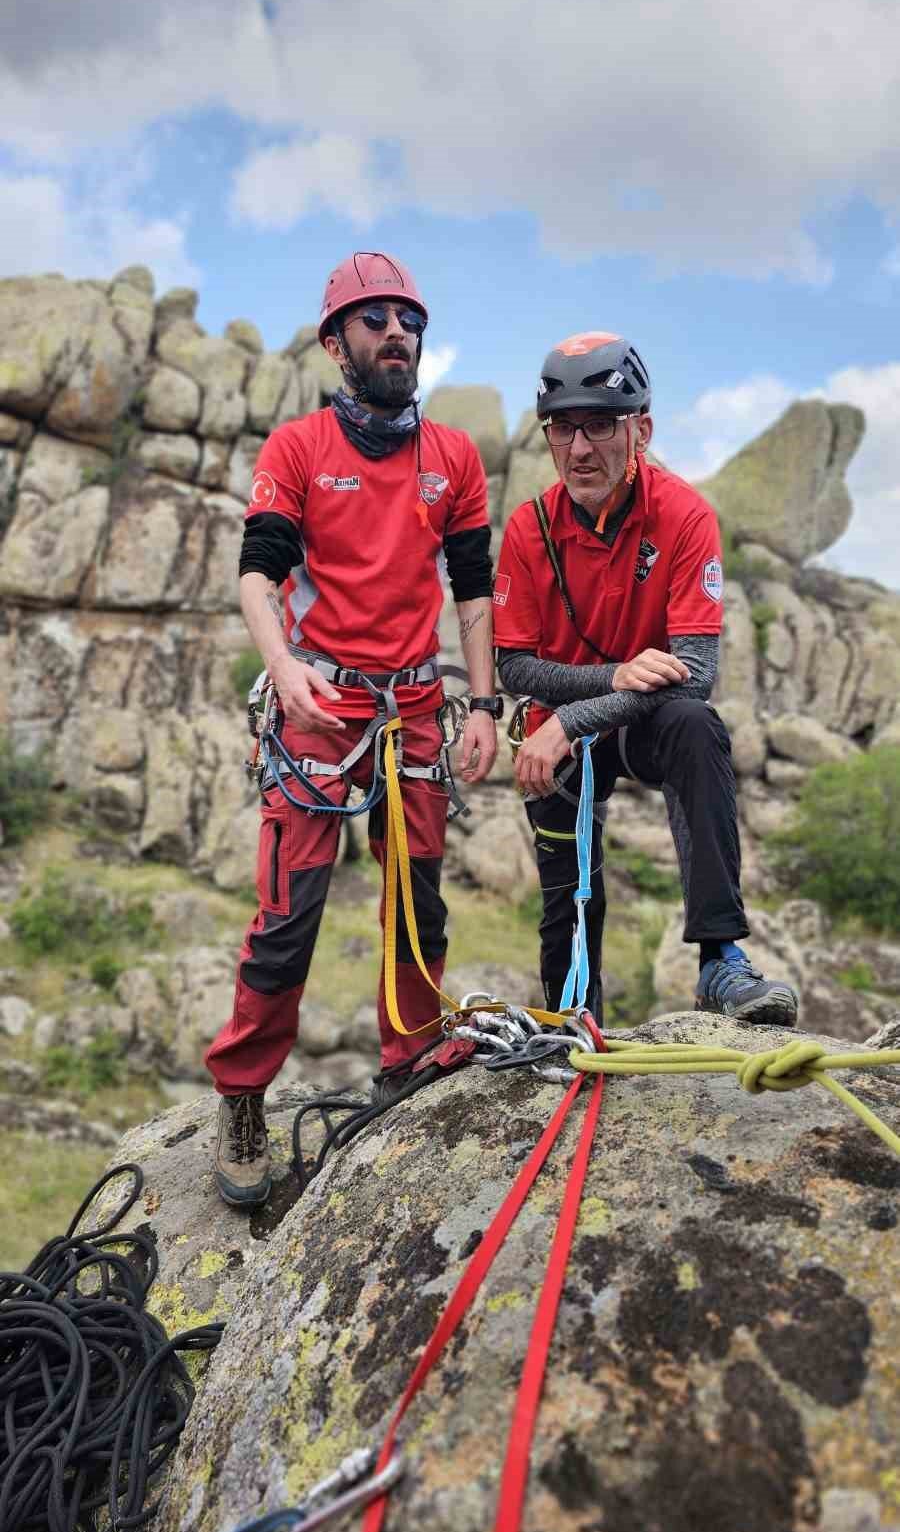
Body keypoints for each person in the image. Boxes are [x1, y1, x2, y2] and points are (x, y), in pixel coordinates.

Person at [206, 251, 502, 1206]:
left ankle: (409, 1061)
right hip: (320, 704)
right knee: (287, 914)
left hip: (414, 705)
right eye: (373, 320)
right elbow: (259, 573)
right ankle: (244, 1093)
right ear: (337, 343)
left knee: (416, 898)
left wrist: (487, 704)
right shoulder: (298, 450)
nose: (396, 333)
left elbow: (474, 590)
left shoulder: (452, 458)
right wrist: (284, 666)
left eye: (406, 318)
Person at [493, 330, 798, 1030]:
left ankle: (720, 959)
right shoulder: (528, 528)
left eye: (600, 424)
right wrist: (604, 683)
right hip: (558, 735)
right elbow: (514, 665)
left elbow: (693, 677)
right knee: (571, 899)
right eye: (562, 427)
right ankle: (575, 1022)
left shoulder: (685, 515)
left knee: (696, 728)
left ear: (642, 429)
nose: (578, 447)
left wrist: (571, 719)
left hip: (625, 723)